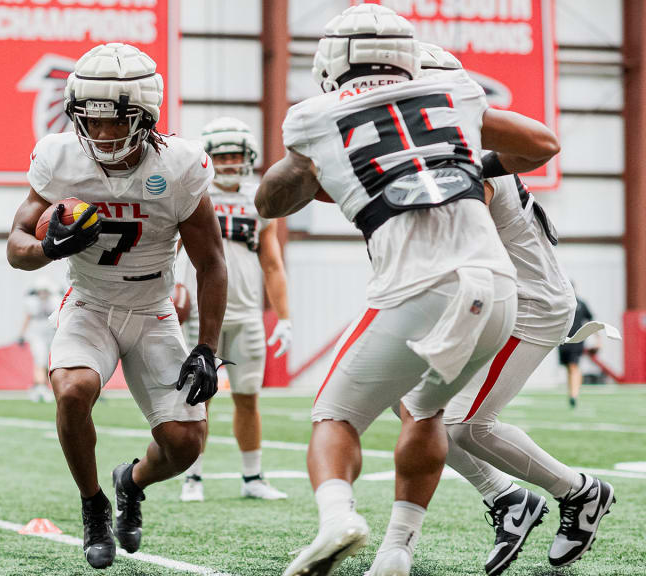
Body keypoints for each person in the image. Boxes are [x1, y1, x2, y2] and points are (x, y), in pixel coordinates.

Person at [254, 5, 560, 575]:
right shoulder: (454, 91)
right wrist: (460, 155)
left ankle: (336, 517)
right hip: (496, 291)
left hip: (418, 287)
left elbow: (269, 202)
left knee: (335, 415)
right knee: (426, 413)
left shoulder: (314, 114)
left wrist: (313, 168)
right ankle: (397, 550)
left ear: (331, 59)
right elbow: (543, 145)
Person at [6, 42, 227, 570]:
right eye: (92, 121)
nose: (102, 134)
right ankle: (93, 504)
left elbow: (212, 262)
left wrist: (207, 347)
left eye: (116, 121)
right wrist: (47, 249)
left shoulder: (178, 165)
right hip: (91, 303)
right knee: (72, 390)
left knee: (184, 446)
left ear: (146, 114)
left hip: (153, 309)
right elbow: (16, 246)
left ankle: (130, 481)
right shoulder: (59, 156)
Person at [415, 44, 616, 575]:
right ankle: (508, 498)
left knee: (467, 425)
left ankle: (579, 492)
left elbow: (467, 254)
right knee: (412, 403)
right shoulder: (450, 155)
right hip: (500, 294)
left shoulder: (467, 164)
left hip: (526, 303)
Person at [177, 117, 292, 502]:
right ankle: (191, 477)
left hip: (245, 314)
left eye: (234, 155)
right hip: (200, 315)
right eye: (221, 155)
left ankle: (252, 477)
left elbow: (273, 264)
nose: (228, 162)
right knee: (196, 397)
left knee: (248, 397)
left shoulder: (258, 201)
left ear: (248, 158)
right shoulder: (193, 196)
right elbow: (170, 256)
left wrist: (285, 317)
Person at [19, 276, 60, 403]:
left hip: (51, 334)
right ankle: (41, 388)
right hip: (36, 334)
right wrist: (22, 334)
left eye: (45, 291)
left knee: (50, 362)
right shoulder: (32, 302)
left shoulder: (55, 300)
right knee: (40, 360)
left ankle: (42, 387)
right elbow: (28, 318)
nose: (42, 294)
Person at [557, 285, 594, 408]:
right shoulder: (561, 304)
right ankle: (572, 393)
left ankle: (574, 394)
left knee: (574, 366)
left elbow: (591, 320)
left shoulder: (581, 304)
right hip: (563, 341)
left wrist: (597, 339)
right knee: (569, 367)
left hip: (577, 340)